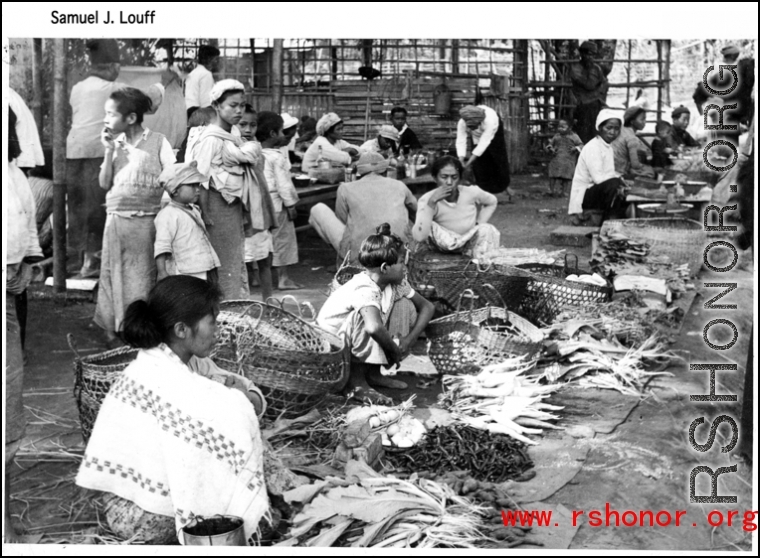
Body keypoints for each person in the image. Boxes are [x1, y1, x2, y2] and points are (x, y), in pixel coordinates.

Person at [75, 276, 269, 545]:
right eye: (212, 321)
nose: (217, 329)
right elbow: (229, 412)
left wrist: (236, 397)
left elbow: (247, 398)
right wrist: (231, 400)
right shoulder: (154, 374)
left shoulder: (194, 363)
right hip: (136, 510)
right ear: (181, 329)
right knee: (209, 505)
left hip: (155, 496)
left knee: (237, 448)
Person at [66, 39, 168, 278]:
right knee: (96, 207)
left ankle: (74, 260)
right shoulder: (113, 89)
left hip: (73, 152)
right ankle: (91, 262)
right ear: (111, 66)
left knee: (77, 207)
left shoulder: (78, 87)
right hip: (97, 152)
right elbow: (148, 102)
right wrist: (163, 85)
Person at [95, 87, 176, 347]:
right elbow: (104, 183)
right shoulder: (115, 145)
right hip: (116, 222)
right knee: (113, 275)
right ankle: (113, 330)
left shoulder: (158, 141)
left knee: (141, 278)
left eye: (110, 114)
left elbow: (173, 178)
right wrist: (108, 152)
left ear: (130, 118)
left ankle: (140, 332)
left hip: (146, 224)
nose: (106, 119)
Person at [317, 225, 435, 403]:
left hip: (350, 344)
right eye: (402, 262)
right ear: (385, 268)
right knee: (366, 319)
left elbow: (427, 307)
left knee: (403, 304)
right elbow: (373, 328)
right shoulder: (365, 289)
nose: (406, 267)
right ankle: (355, 384)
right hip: (333, 349)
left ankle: (374, 374)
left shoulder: (395, 284)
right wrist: (394, 350)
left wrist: (409, 340)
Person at [191, 79, 276, 300]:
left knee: (234, 262)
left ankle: (233, 309)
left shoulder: (234, 135)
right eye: (232, 105)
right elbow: (200, 181)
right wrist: (206, 214)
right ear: (217, 106)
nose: (238, 110)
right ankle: (224, 311)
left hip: (233, 209)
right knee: (222, 263)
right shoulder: (210, 139)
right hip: (215, 211)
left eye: (242, 105)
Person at [5, 109, 44, 544]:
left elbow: (24, 221)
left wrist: (25, 264)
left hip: (8, 297)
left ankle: (4, 519)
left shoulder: (12, 173)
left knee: (7, 399)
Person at [309, 152, 417, 265]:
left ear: (360, 172)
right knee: (407, 219)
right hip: (397, 254)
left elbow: (341, 220)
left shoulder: (345, 188)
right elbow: (417, 211)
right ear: (385, 170)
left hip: (363, 255)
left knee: (317, 209)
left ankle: (345, 261)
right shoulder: (399, 185)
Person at [412, 156, 500, 259]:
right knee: (429, 224)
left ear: (460, 179)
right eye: (444, 177)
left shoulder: (471, 192)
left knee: (487, 228)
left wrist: (478, 223)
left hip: (468, 241)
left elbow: (492, 201)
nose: (449, 182)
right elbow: (419, 236)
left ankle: (479, 262)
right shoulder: (427, 199)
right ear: (435, 178)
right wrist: (432, 203)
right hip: (443, 245)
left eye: (454, 177)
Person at [154, 161, 220, 285]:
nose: (197, 190)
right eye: (192, 186)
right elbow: (161, 246)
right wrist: (162, 272)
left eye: (198, 185)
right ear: (175, 191)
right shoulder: (168, 214)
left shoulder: (194, 209)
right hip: (185, 271)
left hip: (203, 267)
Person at [257, 112, 302, 291]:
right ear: (273, 134)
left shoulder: (254, 153)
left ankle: (257, 277)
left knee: (262, 241)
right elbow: (284, 186)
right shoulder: (277, 157)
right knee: (283, 241)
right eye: (283, 131)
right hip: (277, 206)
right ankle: (283, 279)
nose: (286, 136)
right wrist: (291, 205)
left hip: (259, 206)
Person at [568, 109, 629, 225]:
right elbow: (598, 179)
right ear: (600, 128)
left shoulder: (607, 146)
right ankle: (606, 223)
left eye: (616, 129)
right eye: (609, 127)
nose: (613, 132)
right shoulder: (593, 147)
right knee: (615, 185)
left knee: (621, 182)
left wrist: (622, 180)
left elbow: (609, 173)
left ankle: (617, 220)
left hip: (596, 191)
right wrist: (618, 181)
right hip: (584, 196)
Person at [456, 105, 511, 196]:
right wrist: (461, 159)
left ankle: (503, 186)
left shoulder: (490, 121)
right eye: (470, 127)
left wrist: (468, 163)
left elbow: (483, 144)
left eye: (474, 127)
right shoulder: (462, 122)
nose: (471, 129)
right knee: (480, 161)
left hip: (493, 131)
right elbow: (461, 140)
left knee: (496, 155)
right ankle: (483, 187)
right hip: (478, 134)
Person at [569, 41, 609, 143]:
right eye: (588, 54)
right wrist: (597, 90)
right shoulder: (575, 68)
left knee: (595, 133)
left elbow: (605, 84)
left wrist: (595, 93)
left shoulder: (596, 68)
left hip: (595, 106)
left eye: (593, 55)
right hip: (581, 106)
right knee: (582, 134)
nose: (590, 57)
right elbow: (589, 84)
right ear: (582, 54)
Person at [611, 106, 654, 177]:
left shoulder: (621, 130)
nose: (644, 122)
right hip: (619, 171)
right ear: (632, 121)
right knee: (651, 172)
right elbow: (635, 165)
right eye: (642, 119)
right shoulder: (631, 137)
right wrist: (645, 167)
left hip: (611, 167)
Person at [546, 118, 583, 197]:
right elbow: (550, 145)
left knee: (567, 176)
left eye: (563, 127)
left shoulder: (574, 136)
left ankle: (565, 192)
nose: (560, 128)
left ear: (569, 128)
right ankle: (551, 190)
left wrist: (575, 148)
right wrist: (551, 149)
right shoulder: (556, 136)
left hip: (568, 160)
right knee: (552, 175)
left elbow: (581, 145)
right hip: (556, 159)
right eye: (559, 126)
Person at [185, 44, 220, 118]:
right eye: (216, 59)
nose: (217, 62)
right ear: (209, 59)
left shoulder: (193, 72)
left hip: (187, 112)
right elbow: (206, 102)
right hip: (198, 113)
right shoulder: (206, 74)